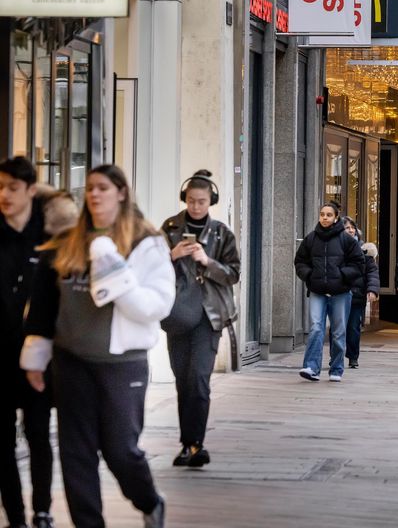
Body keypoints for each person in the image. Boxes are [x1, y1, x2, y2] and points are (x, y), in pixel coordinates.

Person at [21, 164, 173, 528]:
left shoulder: (146, 242)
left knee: (121, 451)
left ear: (121, 192)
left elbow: (157, 306)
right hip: (71, 362)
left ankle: (149, 500)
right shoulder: (67, 242)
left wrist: (114, 273)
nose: (94, 194)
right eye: (89, 188)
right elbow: (44, 305)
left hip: (122, 365)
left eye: (103, 187)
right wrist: (36, 358)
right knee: (76, 455)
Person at [0, 157, 75, 528]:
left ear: (31, 190)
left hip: (38, 357)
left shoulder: (50, 239)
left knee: (37, 435)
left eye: (12, 188)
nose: (4, 195)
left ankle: (42, 511)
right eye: (0, 187)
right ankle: (15, 518)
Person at [160, 170, 241, 468]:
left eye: (202, 202)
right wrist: (171, 255)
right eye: (192, 201)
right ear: (185, 199)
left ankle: (196, 444)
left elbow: (233, 274)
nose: (196, 207)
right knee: (183, 380)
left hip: (209, 315)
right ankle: (187, 444)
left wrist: (207, 261)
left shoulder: (221, 233)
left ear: (211, 201)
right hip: (178, 313)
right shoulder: (169, 228)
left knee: (198, 379)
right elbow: (149, 268)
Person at [294, 201, 366, 382]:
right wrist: (309, 276)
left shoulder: (346, 240)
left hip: (341, 292)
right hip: (317, 291)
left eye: (328, 215)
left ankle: (336, 369)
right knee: (316, 327)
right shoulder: (311, 239)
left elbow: (359, 263)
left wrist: (342, 276)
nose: (324, 217)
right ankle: (311, 367)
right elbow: (300, 262)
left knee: (338, 331)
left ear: (335, 218)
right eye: (322, 214)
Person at [343, 219, 379, 369]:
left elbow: (372, 272)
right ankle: (336, 357)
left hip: (357, 296)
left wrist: (372, 289)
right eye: (347, 228)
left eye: (353, 228)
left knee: (353, 327)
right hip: (338, 294)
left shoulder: (365, 250)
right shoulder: (335, 248)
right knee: (337, 329)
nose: (351, 230)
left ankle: (353, 357)